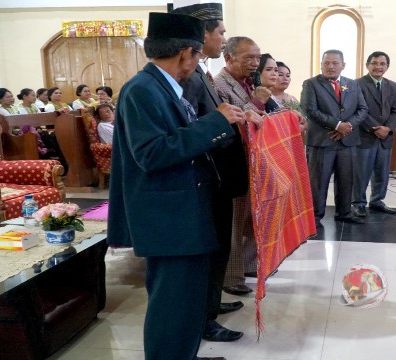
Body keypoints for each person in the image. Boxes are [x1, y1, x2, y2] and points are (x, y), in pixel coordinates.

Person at [106, 11, 255, 360]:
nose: (198, 62)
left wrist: (229, 124)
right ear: (186, 53)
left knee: (188, 304)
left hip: (185, 214)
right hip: (169, 220)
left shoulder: (163, 87)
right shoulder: (142, 90)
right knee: (171, 307)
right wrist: (213, 124)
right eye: (198, 55)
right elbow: (153, 153)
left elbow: (183, 137)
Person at [172, 2, 247, 344]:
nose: (224, 37)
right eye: (220, 32)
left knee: (218, 247)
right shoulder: (188, 76)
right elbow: (193, 124)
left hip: (218, 173)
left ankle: (212, 302)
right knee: (210, 249)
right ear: (202, 35)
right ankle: (205, 318)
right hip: (207, 174)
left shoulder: (201, 70)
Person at [213, 36, 264, 296]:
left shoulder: (247, 83)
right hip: (232, 161)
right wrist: (254, 108)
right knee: (234, 220)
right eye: (248, 58)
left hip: (251, 160)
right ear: (229, 58)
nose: (255, 63)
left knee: (250, 217)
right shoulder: (218, 84)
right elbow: (234, 120)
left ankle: (248, 265)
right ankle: (231, 276)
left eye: (257, 57)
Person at [301, 49, 368, 225]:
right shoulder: (311, 84)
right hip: (323, 141)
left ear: (343, 65)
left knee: (346, 179)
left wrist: (348, 126)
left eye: (335, 63)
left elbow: (363, 109)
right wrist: (337, 125)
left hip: (348, 141)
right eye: (326, 63)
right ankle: (315, 216)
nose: (330, 66)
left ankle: (344, 212)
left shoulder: (352, 84)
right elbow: (310, 110)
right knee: (319, 182)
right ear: (321, 64)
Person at [352, 51, 396, 217]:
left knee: (382, 172)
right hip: (365, 136)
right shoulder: (357, 84)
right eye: (374, 63)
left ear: (387, 66)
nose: (378, 66)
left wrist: (388, 128)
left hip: (385, 137)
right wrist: (375, 128)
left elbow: (395, 110)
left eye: (382, 64)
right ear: (367, 65)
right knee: (361, 173)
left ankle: (377, 200)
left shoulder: (392, 85)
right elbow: (357, 110)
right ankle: (358, 203)